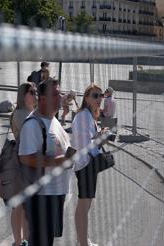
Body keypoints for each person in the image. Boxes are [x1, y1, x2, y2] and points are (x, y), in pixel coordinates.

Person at [19, 78, 74, 246]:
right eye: (55, 94)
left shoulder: (54, 120)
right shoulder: (33, 124)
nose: (60, 97)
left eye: (60, 93)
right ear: (42, 98)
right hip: (42, 196)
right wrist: (62, 160)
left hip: (56, 193)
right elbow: (26, 158)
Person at [71, 83, 107, 246]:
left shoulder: (88, 115)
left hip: (86, 164)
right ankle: (83, 243)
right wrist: (101, 138)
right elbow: (85, 144)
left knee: (85, 204)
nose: (99, 99)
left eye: (101, 96)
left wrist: (99, 135)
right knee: (84, 205)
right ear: (86, 98)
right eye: (95, 95)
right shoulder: (84, 116)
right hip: (85, 164)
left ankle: (82, 240)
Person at [8, 82, 37, 246]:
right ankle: (19, 242)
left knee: (25, 206)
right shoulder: (20, 114)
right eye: (32, 92)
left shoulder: (32, 112)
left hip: (29, 163)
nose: (35, 95)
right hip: (20, 164)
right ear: (23, 95)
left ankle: (24, 240)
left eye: (36, 92)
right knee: (19, 206)